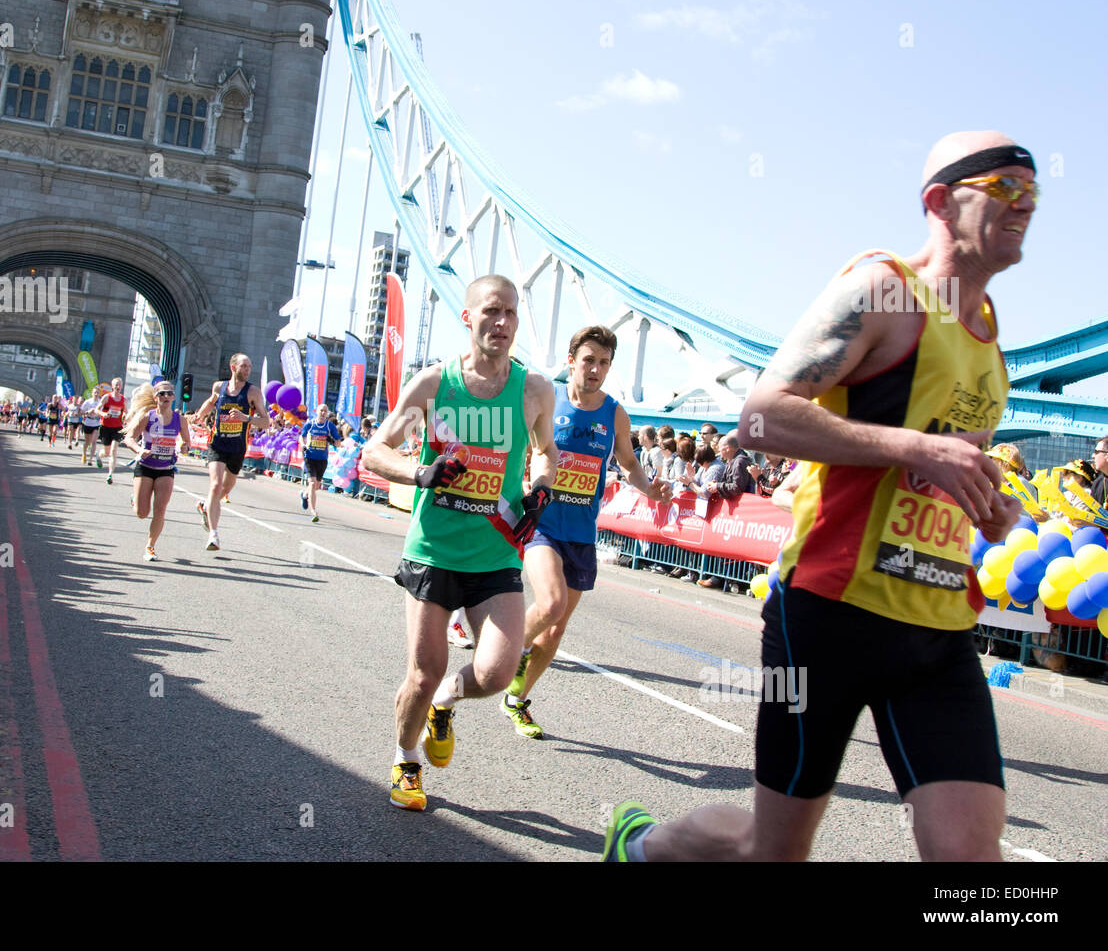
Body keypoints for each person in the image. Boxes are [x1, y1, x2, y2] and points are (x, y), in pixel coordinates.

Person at [604, 130, 1030, 862]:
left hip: (936, 634)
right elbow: (761, 416)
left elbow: (947, 473)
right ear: (938, 200)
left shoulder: (990, 338)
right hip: (831, 617)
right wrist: (915, 446)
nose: (1025, 204)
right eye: (1004, 188)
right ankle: (640, 848)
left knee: (973, 868)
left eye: (1033, 191)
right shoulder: (885, 290)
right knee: (770, 855)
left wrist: (992, 508)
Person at [360, 273, 557, 811]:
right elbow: (375, 451)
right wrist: (420, 473)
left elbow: (545, 451)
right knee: (422, 675)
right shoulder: (434, 384)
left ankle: (448, 702)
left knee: (495, 673)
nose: (502, 322)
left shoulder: (535, 389)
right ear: (467, 318)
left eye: (511, 313)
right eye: (491, 311)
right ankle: (406, 760)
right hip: (434, 552)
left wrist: (540, 489)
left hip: (495, 550)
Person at [502, 325, 672, 738]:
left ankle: (517, 698)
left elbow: (628, 462)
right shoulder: (548, 398)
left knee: (557, 628)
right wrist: (524, 484)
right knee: (551, 604)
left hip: (581, 532)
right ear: (570, 361)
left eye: (604, 363)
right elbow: (521, 449)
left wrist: (649, 487)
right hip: (544, 524)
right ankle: (503, 653)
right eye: (588, 360)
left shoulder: (614, 412)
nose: (595, 369)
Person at [190, 353, 268, 550]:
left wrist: (246, 418)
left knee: (225, 489)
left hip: (237, 447)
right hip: (217, 443)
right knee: (215, 485)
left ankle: (205, 506)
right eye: (244, 366)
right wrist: (199, 414)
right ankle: (213, 535)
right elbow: (211, 401)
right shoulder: (219, 387)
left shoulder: (253, 392)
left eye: (249, 367)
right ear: (233, 367)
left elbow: (266, 421)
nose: (247, 370)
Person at [123, 381, 191, 561]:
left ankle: (150, 546)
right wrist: (139, 450)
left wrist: (185, 448)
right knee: (141, 513)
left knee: (160, 510)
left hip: (166, 468)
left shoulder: (180, 419)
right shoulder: (147, 416)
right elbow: (129, 438)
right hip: (145, 467)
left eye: (169, 393)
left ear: (174, 397)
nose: (166, 396)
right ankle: (135, 499)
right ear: (156, 398)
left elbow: (187, 442)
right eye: (162, 394)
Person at [299, 403, 342, 523]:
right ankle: (314, 511)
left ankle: (304, 495)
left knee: (316, 486)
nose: (323, 413)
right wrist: (303, 445)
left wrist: (332, 440)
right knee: (312, 484)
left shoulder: (330, 426)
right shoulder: (310, 424)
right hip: (310, 457)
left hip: (322, 459)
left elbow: (338, 443)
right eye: (321, 411)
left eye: (325, 411)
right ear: (317, 412)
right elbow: (301, 437)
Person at [98, 379, 126, 484]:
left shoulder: (124, 400)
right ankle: (99, 455)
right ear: (112, 386)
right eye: (116, 385)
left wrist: (125, 416)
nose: (118, 386)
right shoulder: (107, 397)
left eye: (120, 385)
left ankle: (110, 475)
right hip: (106, 427)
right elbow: (97, 409)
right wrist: (103, 414)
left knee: (114, 451)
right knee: (106, 452)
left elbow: (125, 412)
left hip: (117, 428)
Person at [80, 392, 102, 464]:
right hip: (88, 423)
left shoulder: (100, 402)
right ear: (92, 393)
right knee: (87, 442)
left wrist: (98, 413)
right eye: (95, 392)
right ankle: (84, 454)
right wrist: (88, 412)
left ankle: (90, 459)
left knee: (94, 442)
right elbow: (81, 412)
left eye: (97, 393)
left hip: (96, 423)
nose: (96, 394)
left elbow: (103, 411)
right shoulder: (88, 402)